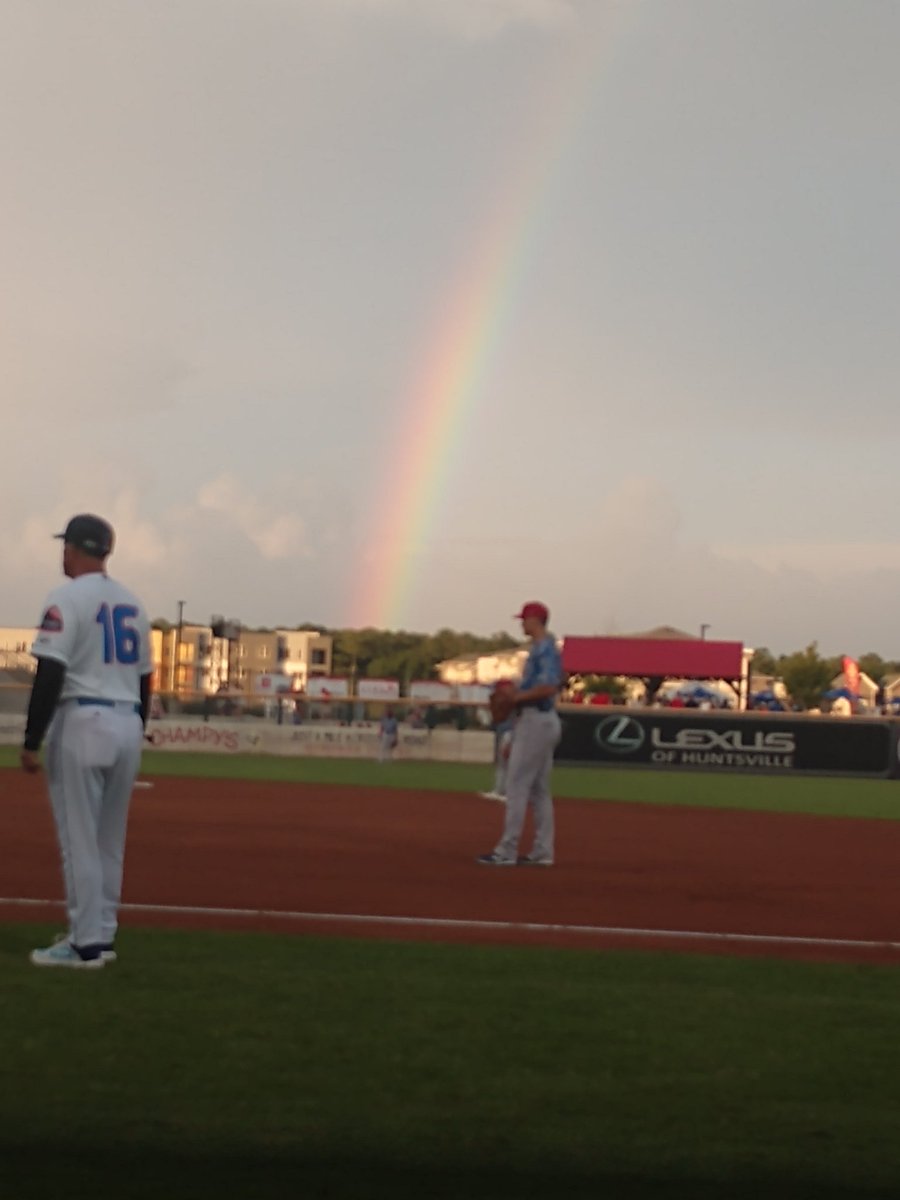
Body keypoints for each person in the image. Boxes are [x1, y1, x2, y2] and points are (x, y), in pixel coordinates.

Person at [20, 514, 152, 969]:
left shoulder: (65, 597)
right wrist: (138, 728)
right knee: (108, 839)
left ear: (74, 549)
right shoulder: (134, 604)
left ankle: (84, 944)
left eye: (67, 546)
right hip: (127, 720)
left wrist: (31, 739)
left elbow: (50, 672)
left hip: (82, 719)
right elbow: (145, 680)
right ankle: (103, 933)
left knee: (79, 839)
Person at [477, 602, 563, 867]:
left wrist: (516, 697)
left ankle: (507, 851)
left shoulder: (545, 648)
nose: (521, 624)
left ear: (535, 620)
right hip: (539, 722)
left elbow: (549, 686)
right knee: (538, 791)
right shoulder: (540, 649)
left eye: (524, 619)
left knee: (516, 787)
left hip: (536, 720)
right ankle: (542, 851)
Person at [479, 680, 515, 802]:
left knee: (507, 763)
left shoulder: (511, 701)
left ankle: (506, 792)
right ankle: (499, 790)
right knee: (502, 764)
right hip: (506, 732)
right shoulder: (510, 700)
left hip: (510, 733)